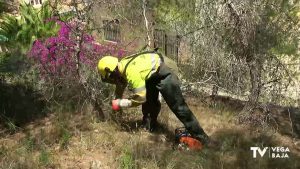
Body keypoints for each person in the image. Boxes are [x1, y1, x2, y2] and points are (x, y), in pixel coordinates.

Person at [97, 51, 210, 144]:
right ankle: (149, 126)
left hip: (165, 71)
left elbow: (140, 98)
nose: (111, 81)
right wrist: (115, 109)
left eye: (110, 78)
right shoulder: (121, 66)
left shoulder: (131, 72)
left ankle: (202, 138)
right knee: (150, 103)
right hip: (152, 75)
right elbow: (119, 89)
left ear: (111, 72)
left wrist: (120, 103)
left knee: (178, 107)